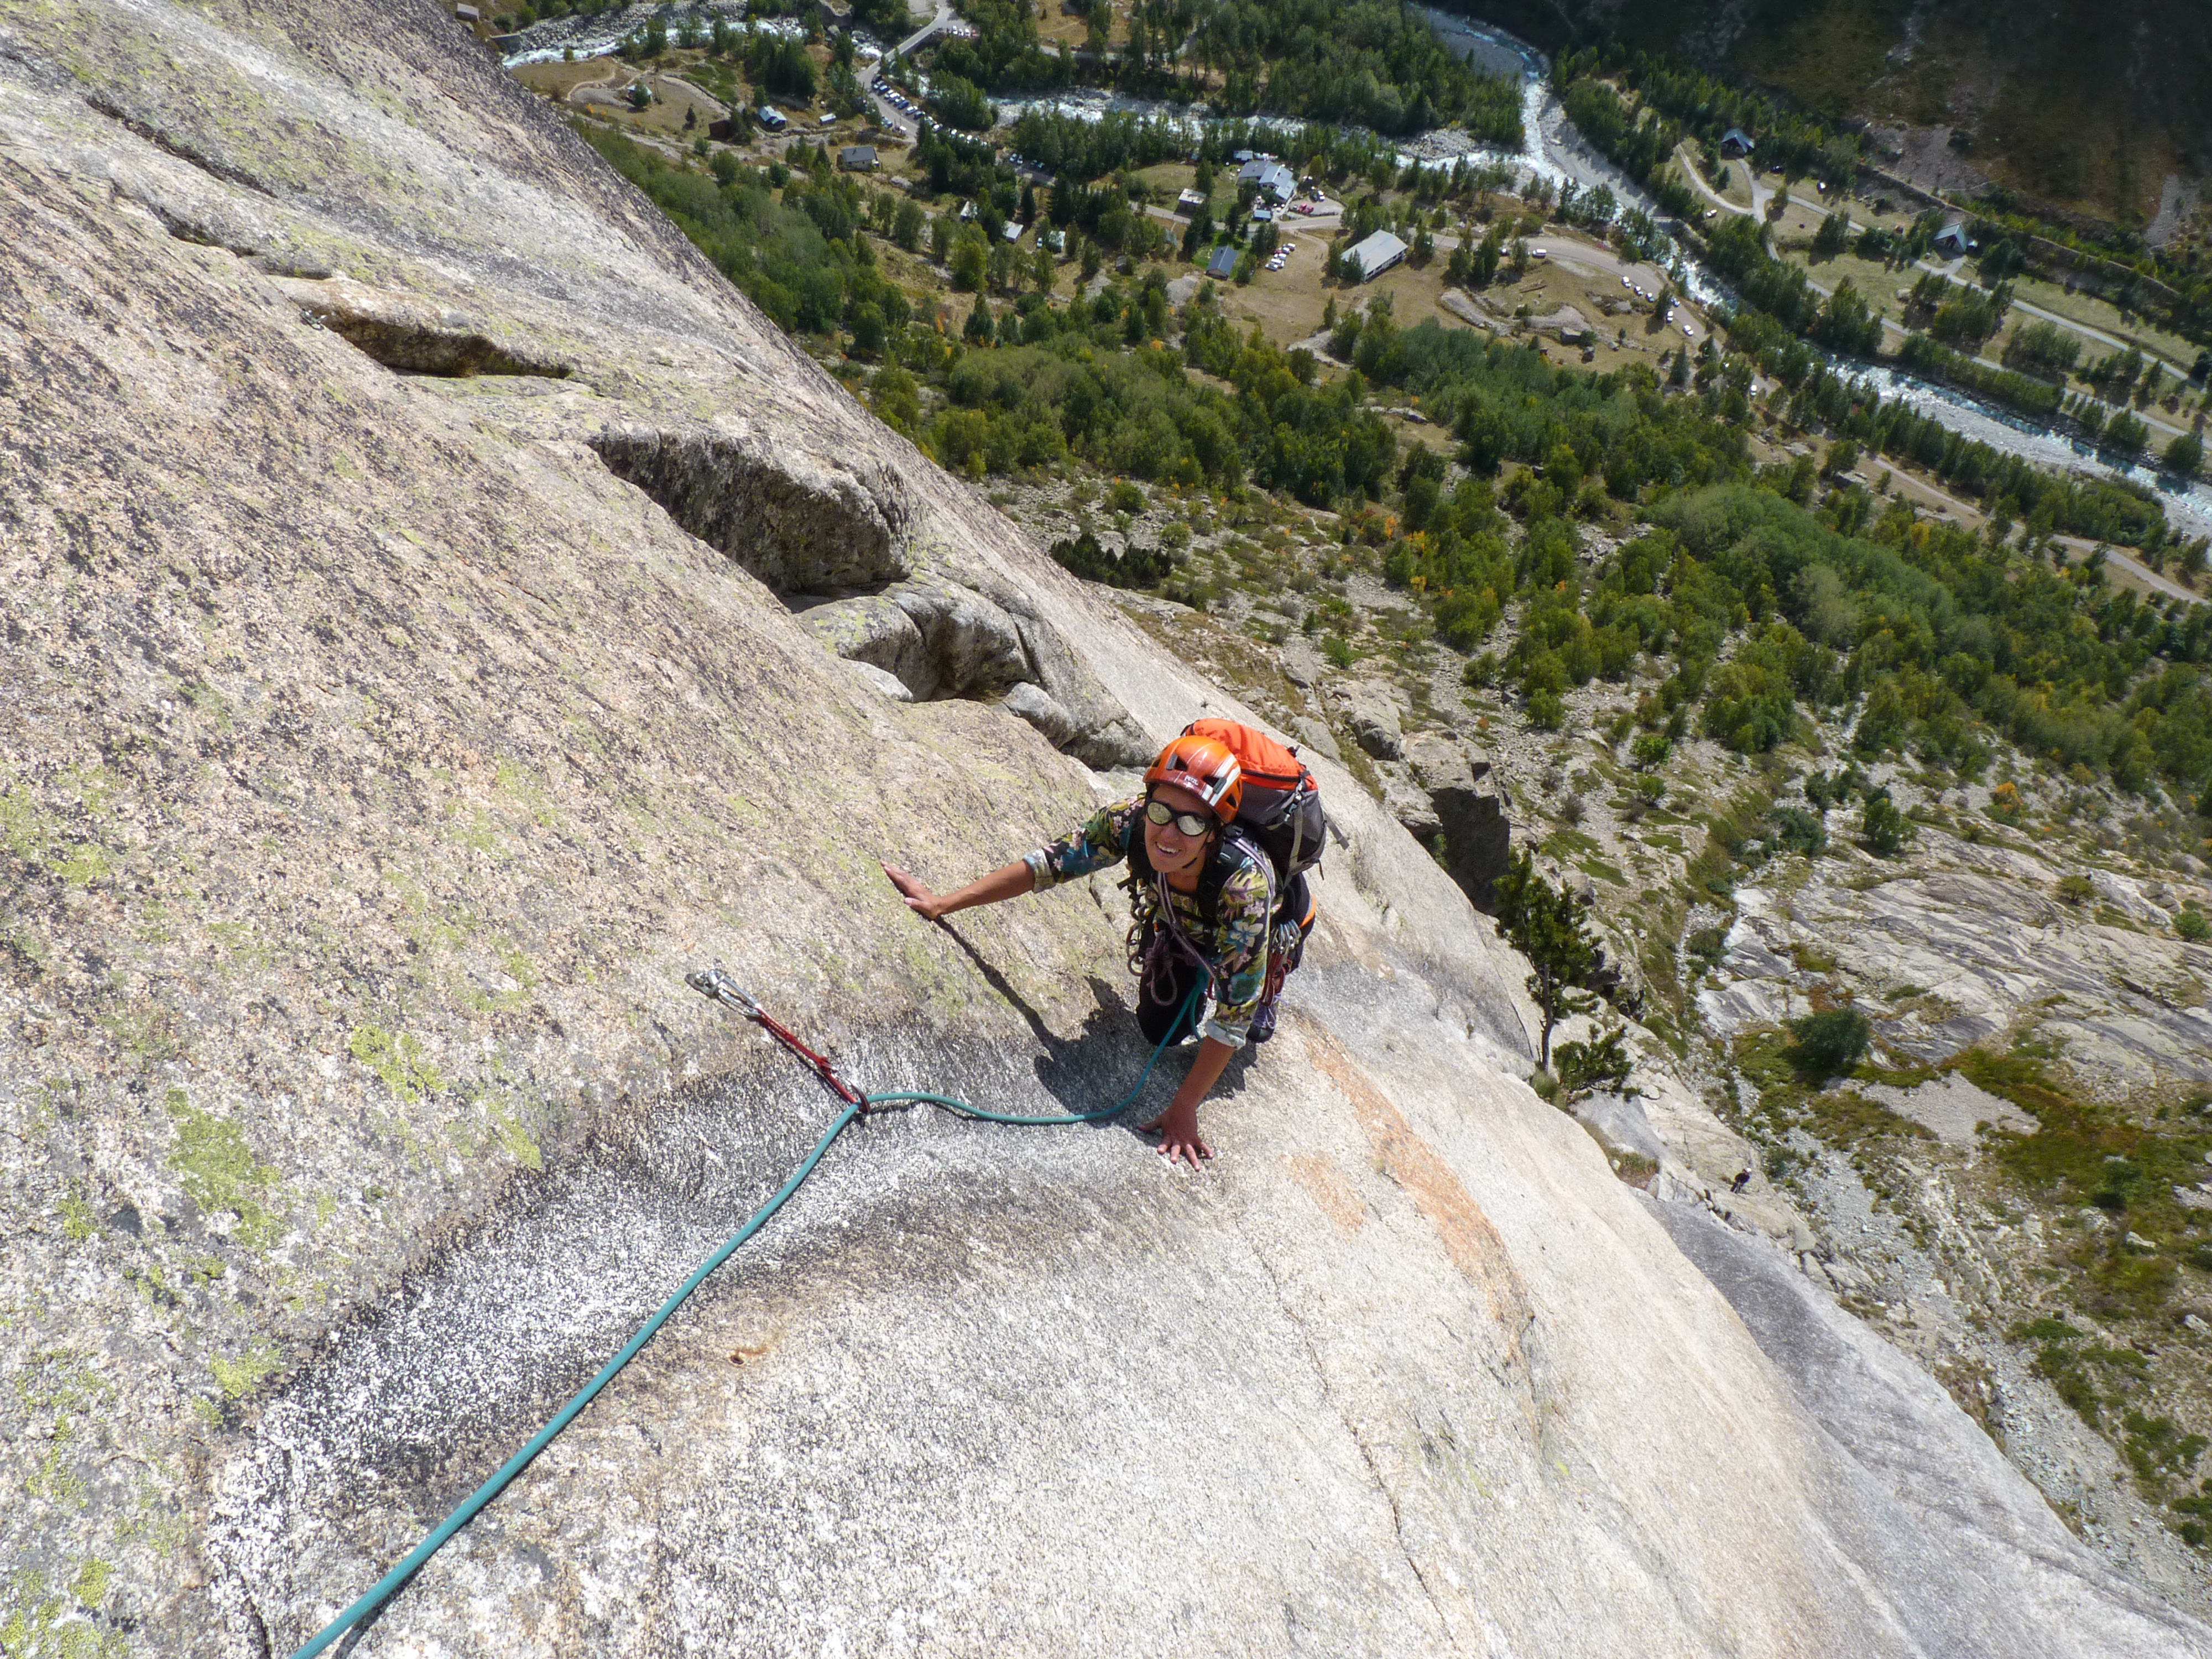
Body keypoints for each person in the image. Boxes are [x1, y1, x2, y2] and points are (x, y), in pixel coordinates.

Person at [883, 732, 1314, 1171]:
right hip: (1183, 922)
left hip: (1264, 923)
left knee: (1251, 1027)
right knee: (1159, 1029)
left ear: (1214, 832)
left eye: (1190, 824)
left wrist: (1184, 1107)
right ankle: (1188, 955)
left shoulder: (1244, 888)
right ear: (1147, 803)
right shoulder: (1129, 822)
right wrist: (943, 904)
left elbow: (1235, 1014)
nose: (1168, 833)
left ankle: (1275, 959)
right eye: (1160, 812)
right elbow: (1047, 865)